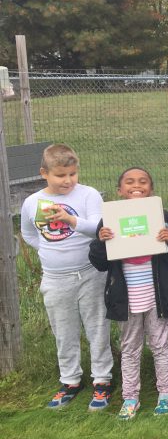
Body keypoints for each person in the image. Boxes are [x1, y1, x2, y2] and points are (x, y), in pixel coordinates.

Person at [89, 168, 168, 419]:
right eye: (130, 182)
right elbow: (99, 262)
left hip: (157, 297)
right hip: (126, 299)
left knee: (161, 346)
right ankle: (130, 398)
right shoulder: (109, 220)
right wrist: (101, 242)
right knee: (130, 348)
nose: (137, 185)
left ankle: (166, 394)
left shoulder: (162, 217)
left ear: (151, 189)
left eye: (143, 182)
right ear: (120, 190)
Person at [21, 144, 111, 410]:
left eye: (72, 174)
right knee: (64, 330)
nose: (68, 180)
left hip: (90, 273)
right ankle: (70, 380)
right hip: (55, 278)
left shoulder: (88, 195)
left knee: (97, 327)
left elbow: (98, 228)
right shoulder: (32, 202)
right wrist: (52, 251)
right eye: (61, 175)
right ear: (44, 173)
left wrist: (70, 220)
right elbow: (28, 235)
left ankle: (102, 380)